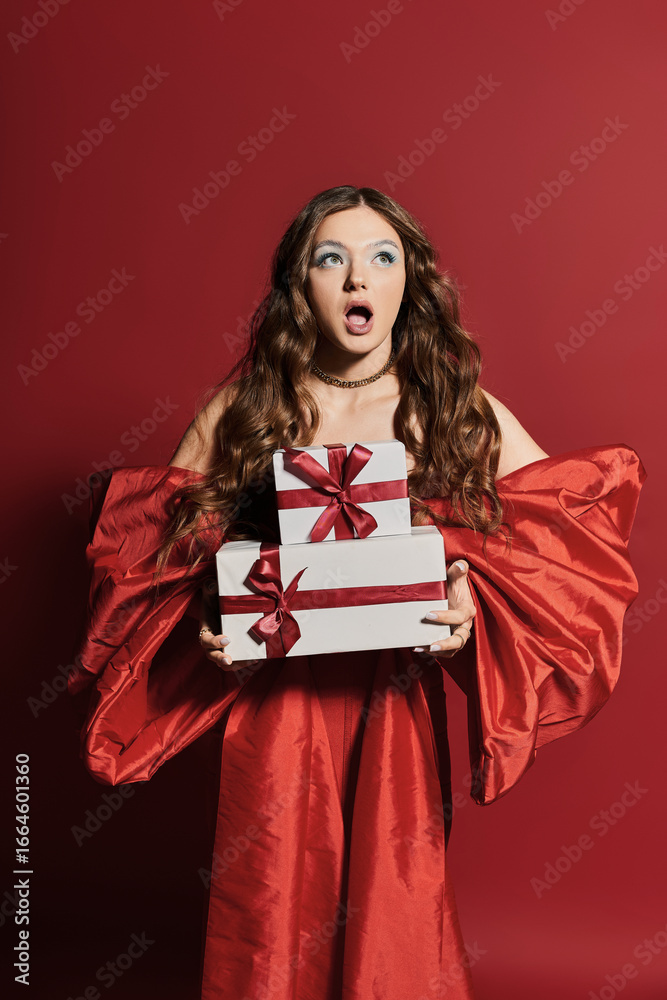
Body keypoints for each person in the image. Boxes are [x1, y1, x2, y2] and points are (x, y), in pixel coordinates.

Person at [69, 185, 646, 1000]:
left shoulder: (447, 407)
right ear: (297, 284)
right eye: (329, 259)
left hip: (391, 704)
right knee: (269, 898)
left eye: (381, 257)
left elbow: (559, 529)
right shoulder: (246, 407)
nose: (356, 278)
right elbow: (153, 550)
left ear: (409, 280)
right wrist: (211, 611)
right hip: (273, 708)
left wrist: (467, 604)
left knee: (393, 905)